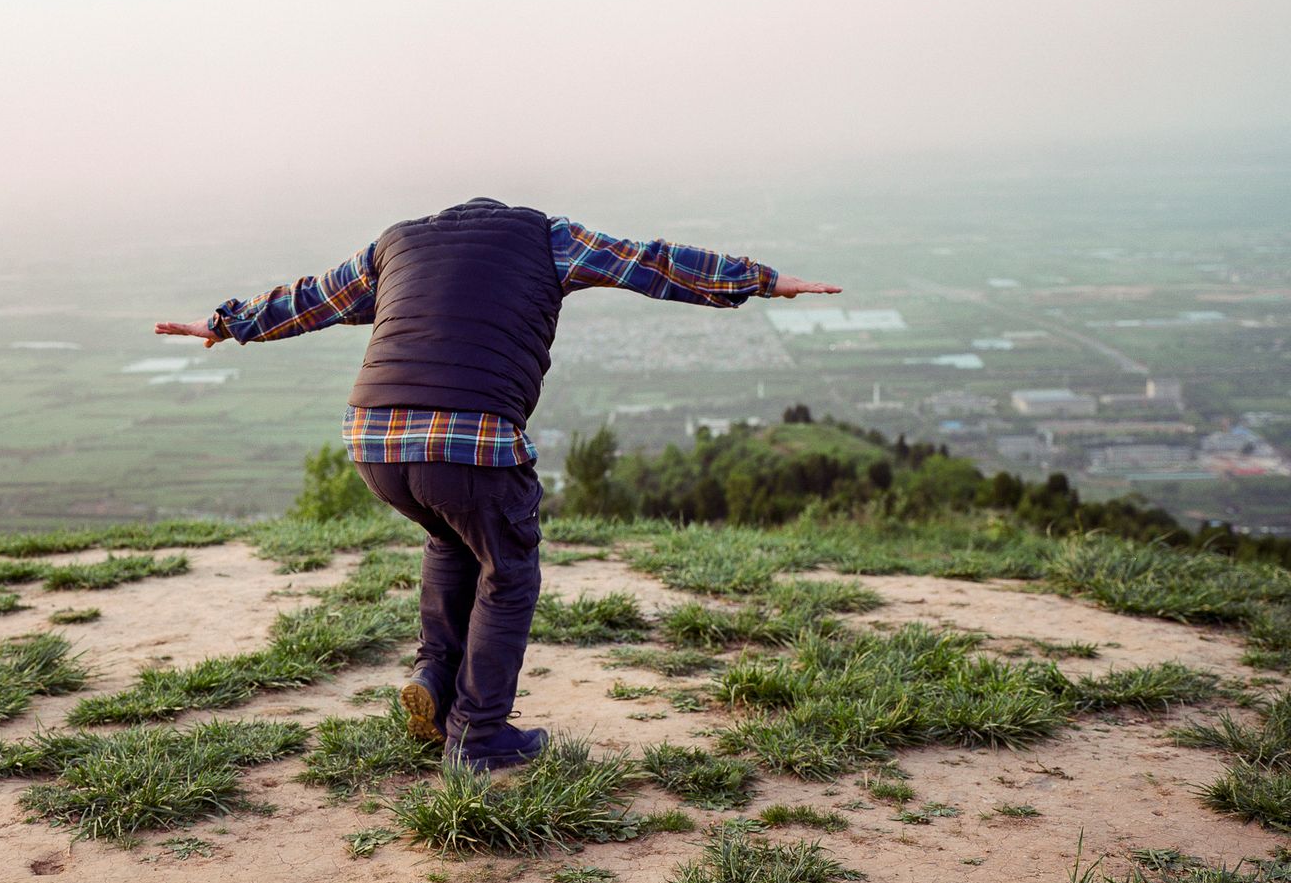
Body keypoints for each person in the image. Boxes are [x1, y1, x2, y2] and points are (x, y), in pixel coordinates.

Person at [155, 197, 840, 772]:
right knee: (508, 572)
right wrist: (759, 280)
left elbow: (311, 300)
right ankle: (478, 737)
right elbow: (651, 263)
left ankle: (435, 678)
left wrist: (223, 324)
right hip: (468, 439)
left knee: (451, 539)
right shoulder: (546, 237)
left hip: (372, 438)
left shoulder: (396, 246)